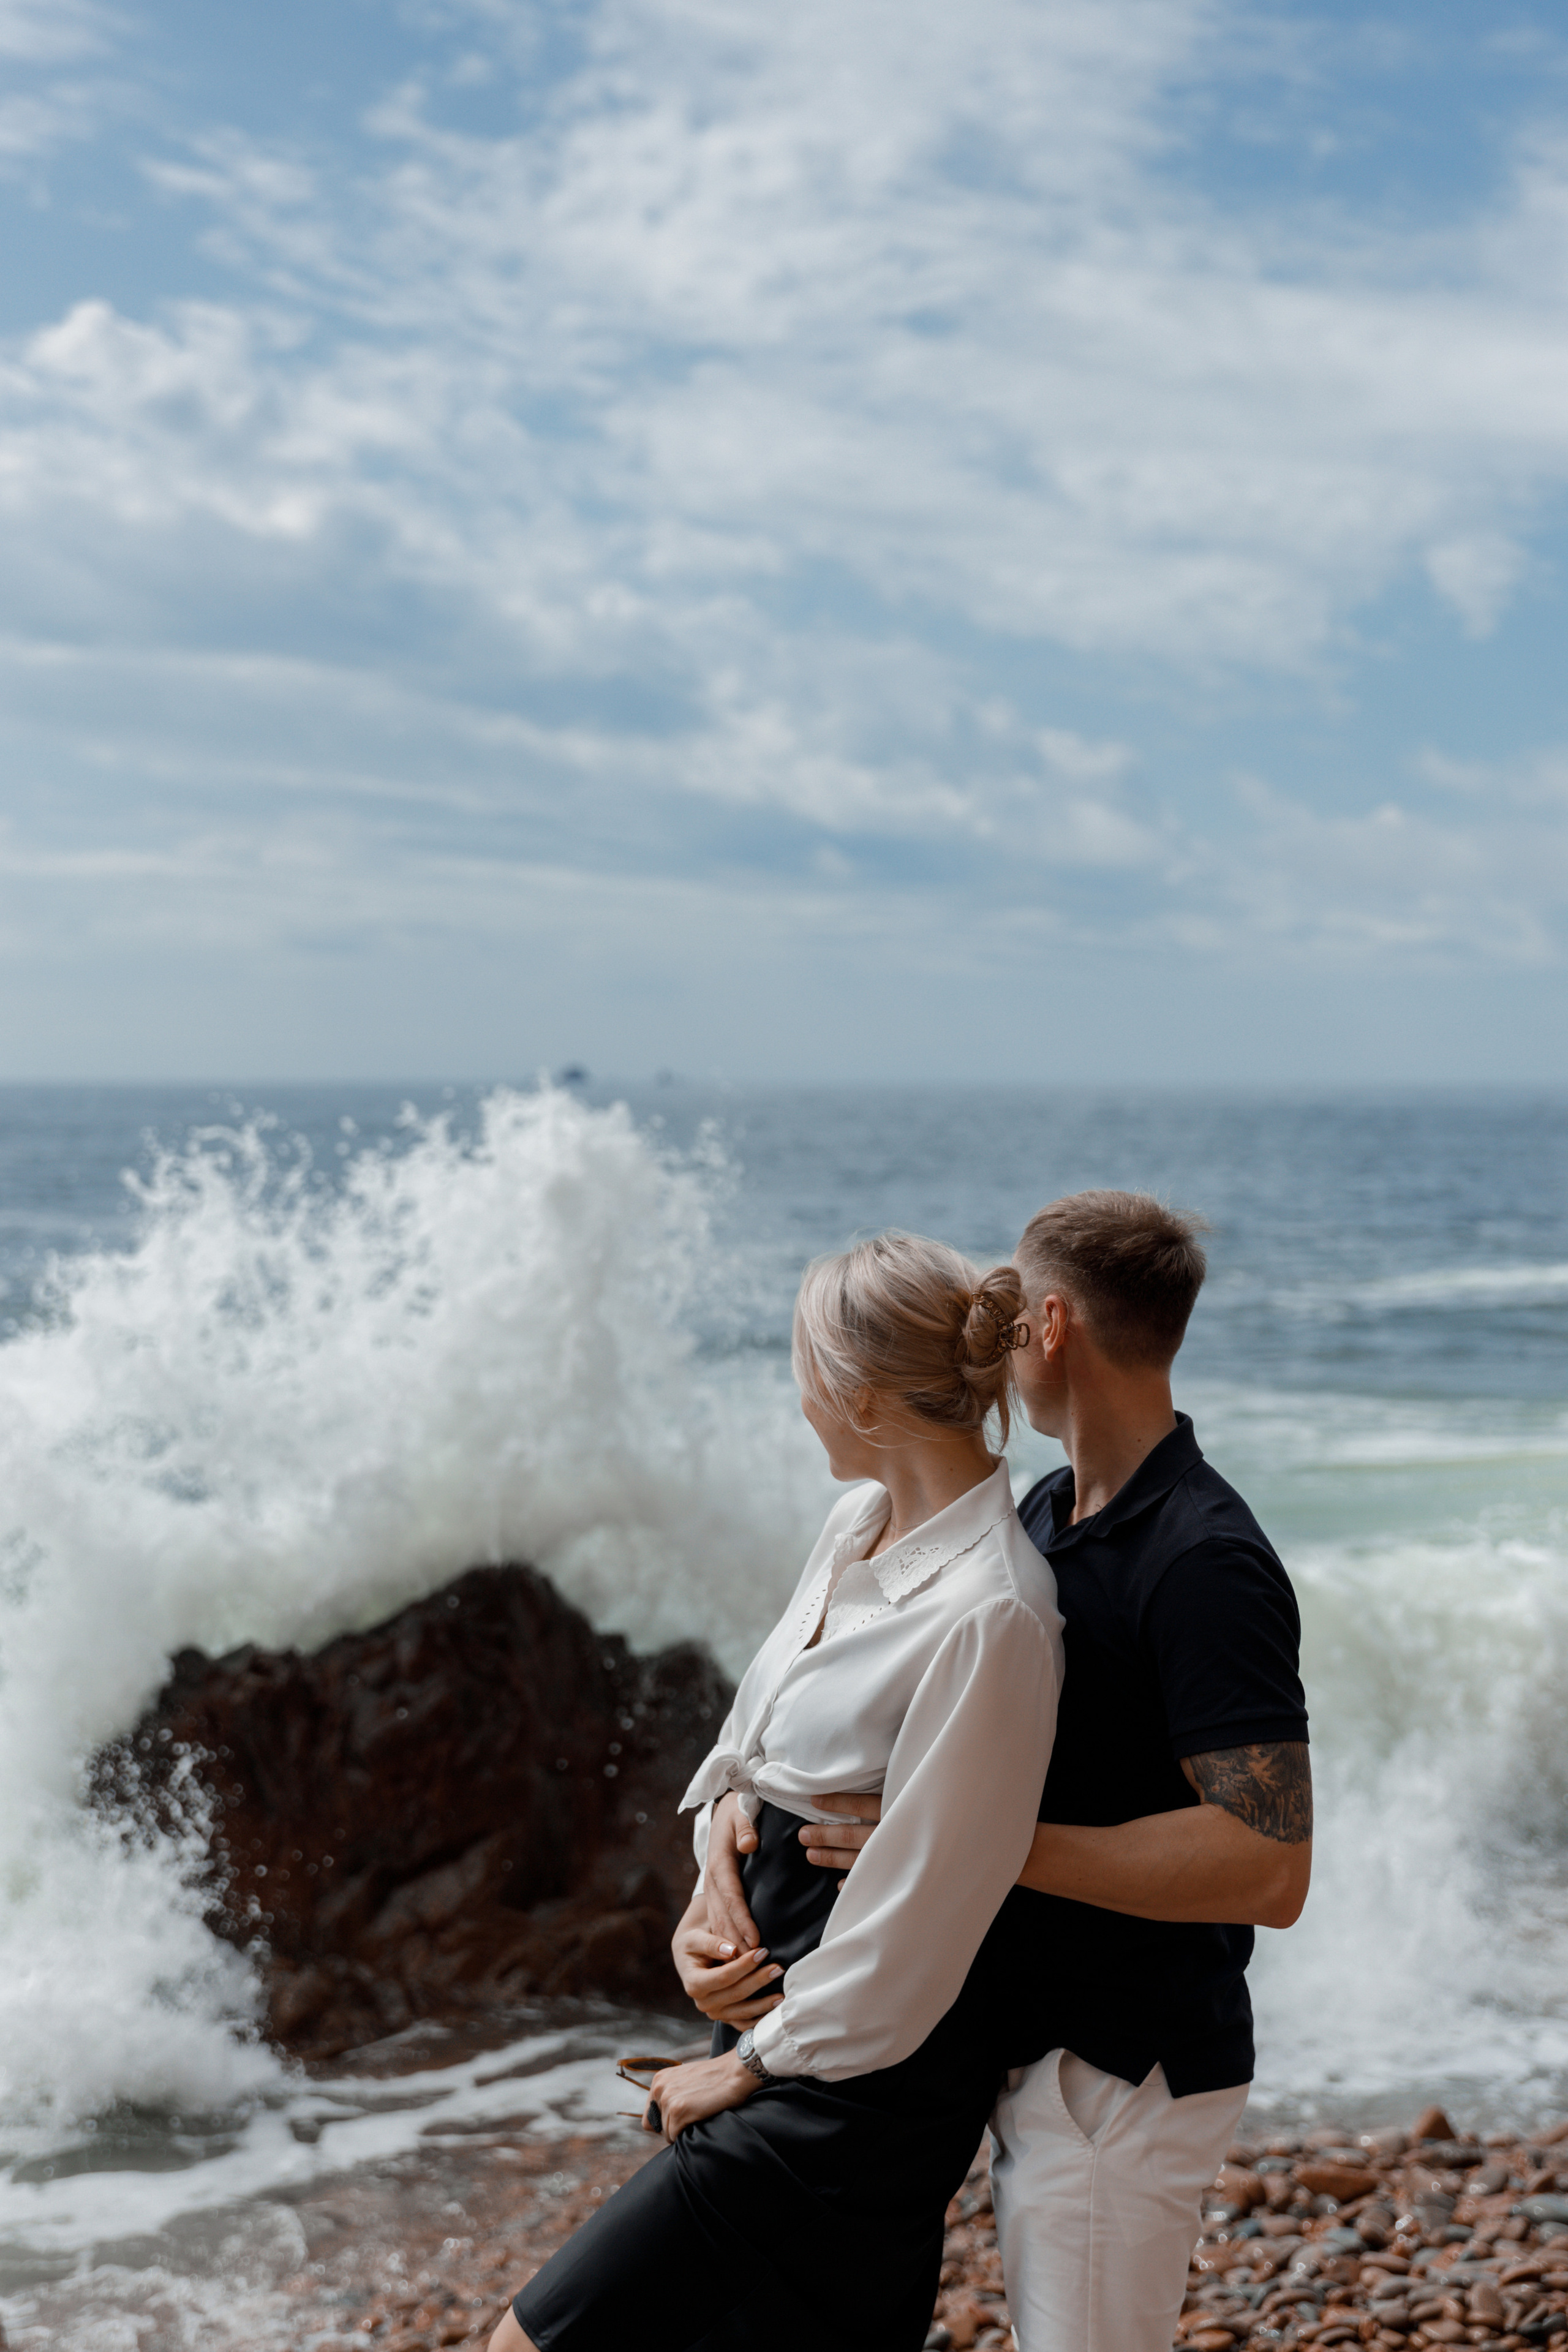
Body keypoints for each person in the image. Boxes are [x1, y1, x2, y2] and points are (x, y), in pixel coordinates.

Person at [693, 1191, 1311, 2352]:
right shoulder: (1052, 1516)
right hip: (1027, 2041)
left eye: (1008, 1303)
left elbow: (1268, 1864)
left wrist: (955, 1842)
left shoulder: (1203, 1560)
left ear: (1052, 1323)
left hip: (1124, 2066)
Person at [489, 1232, 1065, 2352]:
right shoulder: (856, 1526)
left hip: (857, 2084)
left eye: (801, 1367)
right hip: (784, 2032)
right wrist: (711, 1871)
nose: (794, 1396)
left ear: (855, 1396)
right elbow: (754, 1744)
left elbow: (930, 1913)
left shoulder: (996, 1612)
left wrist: (749, 2065)